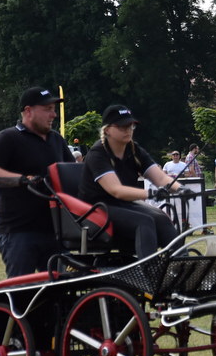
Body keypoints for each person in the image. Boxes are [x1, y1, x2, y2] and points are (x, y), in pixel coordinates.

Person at [0, 87, 75, 277]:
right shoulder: (8, 138)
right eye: (47, 109)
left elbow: (71, 172)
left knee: (62, 290)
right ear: (28, 111)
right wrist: (22, 180)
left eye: (54, 109)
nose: (53, 114)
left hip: (54, 231)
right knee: (22, 292)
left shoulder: (56, 140)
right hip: (18, 232)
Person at [78, 104, 183, 258]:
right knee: (144, 221)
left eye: (131, 126)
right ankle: (149, 271)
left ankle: (182, 264)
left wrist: (182, 189)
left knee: (162, 218)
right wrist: (151, 193)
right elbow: (116, 190)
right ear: (107, 130)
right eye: (122, 126)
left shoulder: (134, 150)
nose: (128, 129)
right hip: (97, 209)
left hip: (123, 206)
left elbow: (160, 178)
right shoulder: (97, 154)